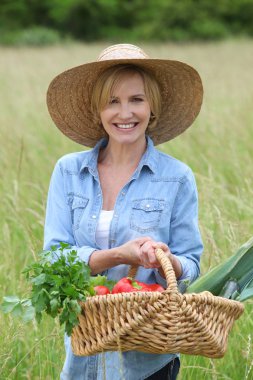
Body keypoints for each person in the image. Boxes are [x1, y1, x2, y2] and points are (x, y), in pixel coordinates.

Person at [45, 43, 203, 380]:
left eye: (137, 100)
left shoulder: (176, 178)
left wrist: (166, 259)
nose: (125, 113)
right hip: (84, 354)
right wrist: (118, 254)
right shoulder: (68, 172)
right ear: (98, 110)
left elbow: (191, 265)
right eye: (112, 101)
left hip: (150, 359)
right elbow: (52, 260)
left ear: (153, 107)